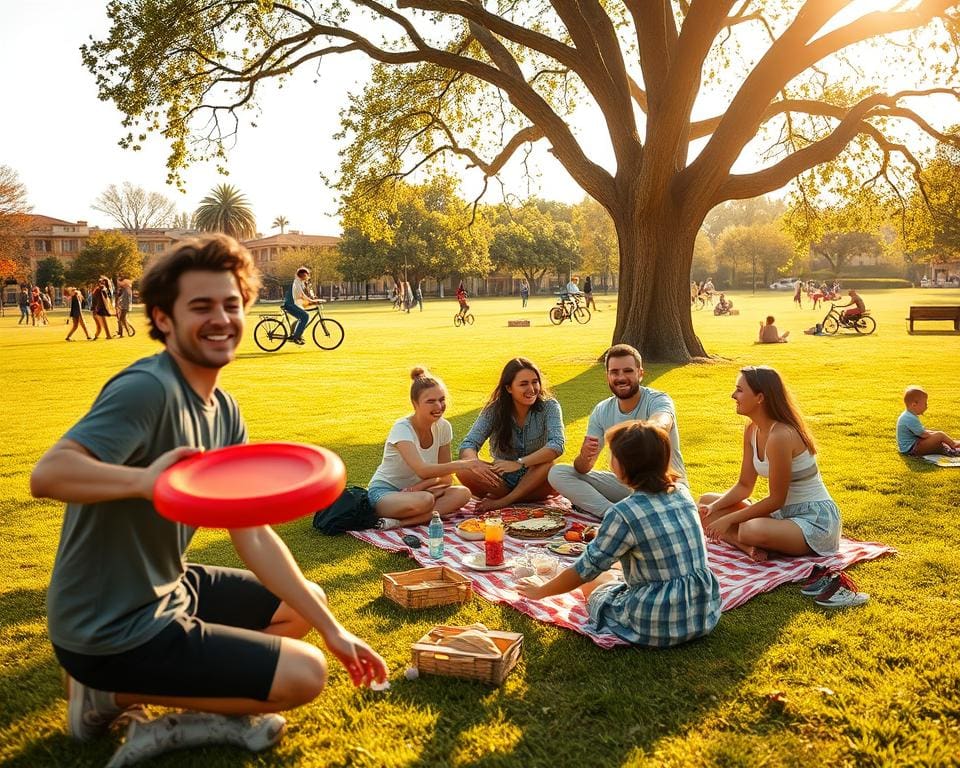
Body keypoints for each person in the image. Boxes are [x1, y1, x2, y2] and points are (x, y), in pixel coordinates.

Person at [30, 235, 386, 747]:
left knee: (307, 602)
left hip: (168, 587)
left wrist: (334, 630)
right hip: (106, 623)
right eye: (201, 306)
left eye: (231, 304)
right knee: (306, 674)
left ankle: (132, 686)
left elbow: (253, 535)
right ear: (164, 318)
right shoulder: (149, 389)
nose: (220, 318)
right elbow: (50, 474)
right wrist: (145, 481)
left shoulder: (226, 412)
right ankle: (112, 693)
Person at [518, 421, 721, 647]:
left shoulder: (624, 513)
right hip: (703, 612)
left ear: (623, 466)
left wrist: (541, 591)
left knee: (594, 582)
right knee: (616, 574)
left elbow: (584, 571)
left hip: (653, 620)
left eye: (612, 455)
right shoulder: (682, 493)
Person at [697, 366, 842, 563]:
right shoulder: (751, 430)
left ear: (760, 398)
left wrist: (729, 519)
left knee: (750, 529)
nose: (733, 395)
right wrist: (715, 508)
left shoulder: (781, 435)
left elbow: (776, 499)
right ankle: (746, 546)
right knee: (705, 503)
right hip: (780, 515)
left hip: (812, 519)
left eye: (739, 390)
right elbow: (744, 486)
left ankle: (746, 538)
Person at [548, 344, 687, 519]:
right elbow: (583, 468)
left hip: (665, 486)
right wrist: (584, 456)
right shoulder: (602, 410)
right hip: (627, 484)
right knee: (558, 473)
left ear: (640, 373)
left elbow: (662, 423)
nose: (621, 377)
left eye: (628, 371)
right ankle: (615, 515)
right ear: (607, 376)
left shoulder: (658, 400)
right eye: (614, 372)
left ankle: (628, 515)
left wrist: (636, 432)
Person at [367, 367, 492, 530]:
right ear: (415, 404)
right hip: (385, 492)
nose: (439, 406)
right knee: (425, 501)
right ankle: (408, 511)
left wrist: (422, 488)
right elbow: (423, 470)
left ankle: (400, 522)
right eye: (431, 401)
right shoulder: (402, 428)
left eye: (442, 399)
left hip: (421, 492)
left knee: (463, 493)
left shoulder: (444, 427)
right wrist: (466, 464)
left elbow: (446, 478)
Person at [458, 358, 565, 513]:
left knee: (549, 466)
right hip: (502, 480)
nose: (532, 388)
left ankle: (505, 501)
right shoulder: (494, 409)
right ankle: (520, 498)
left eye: (535, 382)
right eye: (523, 384)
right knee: (463, 469)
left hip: (536, 478)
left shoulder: (549, 406)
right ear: (509, 388)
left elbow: (557, 445)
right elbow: (469, 444)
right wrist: (474, 463)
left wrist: (520, 463)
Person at [896, 386, 960, 457]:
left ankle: (948, 449)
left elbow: (922, 432)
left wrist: (933, 436)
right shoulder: (909, 418)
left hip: (912, 447)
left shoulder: (908, 415)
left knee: (937, 439)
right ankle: (954, 445)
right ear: (914, 404)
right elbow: (923, 434)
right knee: (940, 435)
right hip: (912, 449)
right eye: (925, 404)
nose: (927, 406)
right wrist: (937, 437)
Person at [282, 267, 318, 345]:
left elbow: (307, 292)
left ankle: (294, 335)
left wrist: (312, 298)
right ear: (303, 275)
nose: (308, 276)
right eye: (307, 275)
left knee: (301, 318)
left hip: (294, 304)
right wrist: (311, 301)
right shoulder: (297, 282)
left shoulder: (300, 282)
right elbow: (301, 295)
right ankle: (296, 336)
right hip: (290, 304)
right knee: (305, 316)